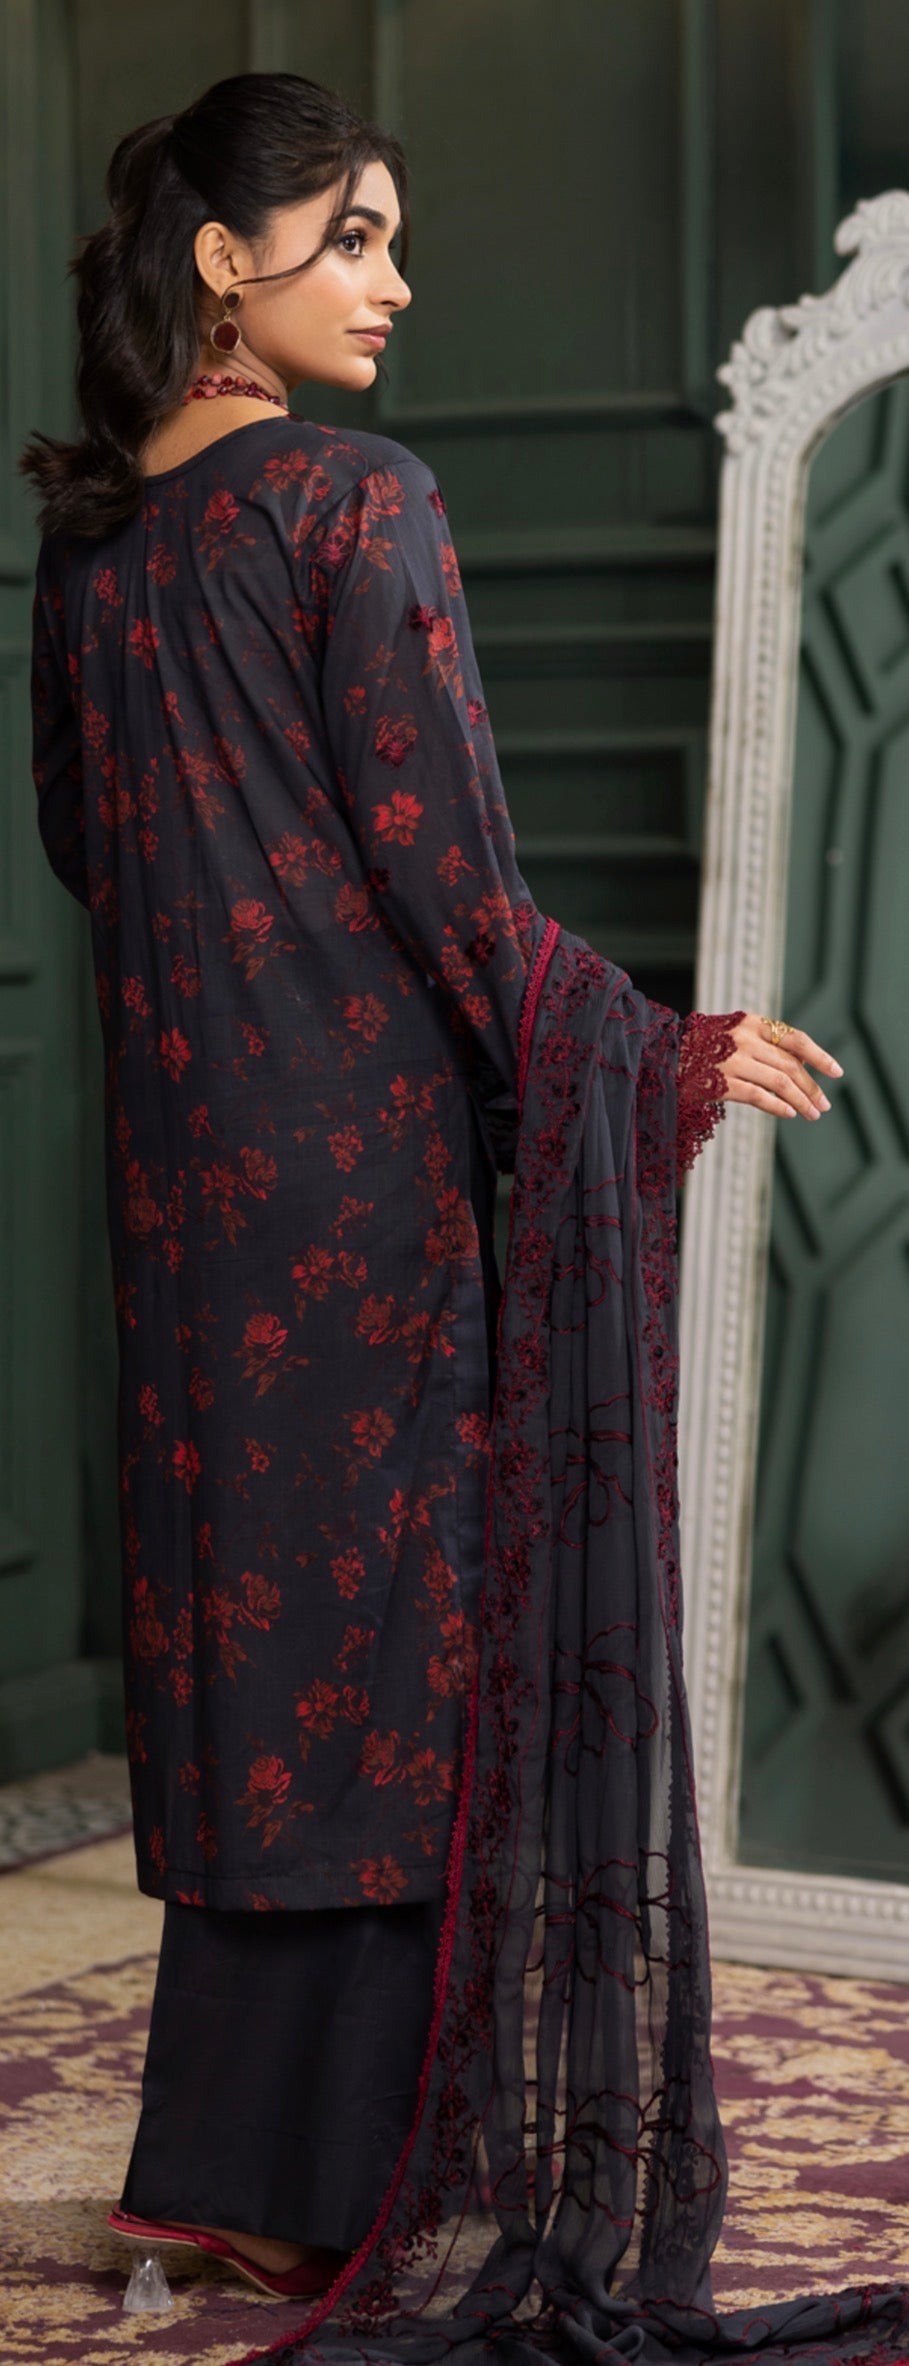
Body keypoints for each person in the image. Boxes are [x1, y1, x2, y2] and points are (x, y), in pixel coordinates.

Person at [24, 67, 908, 2366]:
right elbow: (450, 878)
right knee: (396, 1650)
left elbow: (89, 849)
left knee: (248, 1648)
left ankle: (223, 2180)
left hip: (185, 1180)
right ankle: (355, 2181)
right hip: (359, 1176)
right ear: (221, 260)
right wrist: (661, 1049)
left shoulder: (100, 542)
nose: (395, 283)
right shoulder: (358, 501)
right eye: (354, 237)